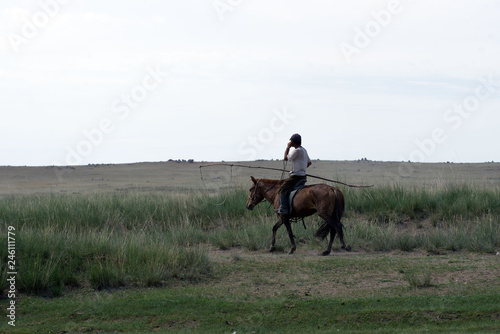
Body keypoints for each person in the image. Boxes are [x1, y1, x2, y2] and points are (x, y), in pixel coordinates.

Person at [276, 133, 312, 215]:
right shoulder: (304, 150)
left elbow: (285, 158)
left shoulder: (296, 151)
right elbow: (309, 163)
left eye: (290, 141)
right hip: (303, 176)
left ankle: (284, 209)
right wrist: (302, 169)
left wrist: (287, 147)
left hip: (296, 177)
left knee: (282, 189)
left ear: (292, 142)